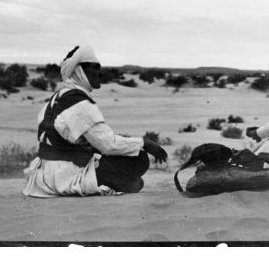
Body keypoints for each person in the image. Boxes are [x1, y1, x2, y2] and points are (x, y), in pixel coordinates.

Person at [23, 45, 167, 197]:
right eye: (95, 67)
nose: (100, 72)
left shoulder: (56, 98)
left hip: (44, 176)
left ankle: (122, 181)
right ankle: (119, 182)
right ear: (80, 70)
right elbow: (108, 145)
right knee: (139, 158)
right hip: (65, 176)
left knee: (124, 165)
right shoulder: (80, 103)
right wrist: (145, 143)